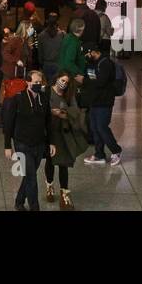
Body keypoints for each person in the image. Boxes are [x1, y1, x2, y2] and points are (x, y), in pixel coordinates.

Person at [2, 70, 53, 211]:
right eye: (35, 82)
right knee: (31, 177)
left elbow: (48, 121)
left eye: (40, 82)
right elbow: (8, 123)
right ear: (28, 82)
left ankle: (19, 201)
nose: (38, 84)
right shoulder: (18, 99)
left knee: (29, 175)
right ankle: (34, 207)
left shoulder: (43, 98)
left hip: (39, 143)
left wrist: (51, 142)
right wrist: (7, 145)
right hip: (22, 143)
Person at [46, 71, 89, 209]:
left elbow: (75, 111)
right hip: (50, 132)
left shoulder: (69, 95)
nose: (63, 84)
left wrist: (63, 113)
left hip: (64, 134)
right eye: (62, 80)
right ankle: (49, 185)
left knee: (63, 163)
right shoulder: (47, 92)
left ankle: (64, 193)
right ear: (57, 78)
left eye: (66, 82)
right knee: (50, 161)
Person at [82, 45, 122, 166]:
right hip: (94, 101)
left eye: (88, 54)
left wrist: (84, 81)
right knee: (94, 127)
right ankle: (99, 154)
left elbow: (100, 82)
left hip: (104, 102)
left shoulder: (106, 63)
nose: (87, 56)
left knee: (102, 127)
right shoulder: (92, 62)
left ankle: (116, 150)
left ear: (94, 52)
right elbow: (91, 77)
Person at [39, 11, 64, 85]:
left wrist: (41, 63)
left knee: (49, 84)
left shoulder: (41, 35)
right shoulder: (62, 35)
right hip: (58, 64)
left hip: (46, 64)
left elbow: (40, 52)